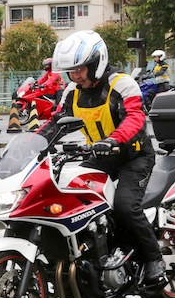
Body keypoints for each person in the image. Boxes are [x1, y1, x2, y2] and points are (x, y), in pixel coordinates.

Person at [38, 30, 165, 284]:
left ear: (97, 63)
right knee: (70, 198)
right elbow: (56, 124)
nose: (75, 76)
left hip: (133, 155)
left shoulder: (122, 83)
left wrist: (114, 139)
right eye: (71, 71)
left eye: (80, 69)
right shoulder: (72, 92)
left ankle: (154, 259)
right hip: (99, 156)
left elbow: (135, 117)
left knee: (126, 207)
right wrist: (32, 145)